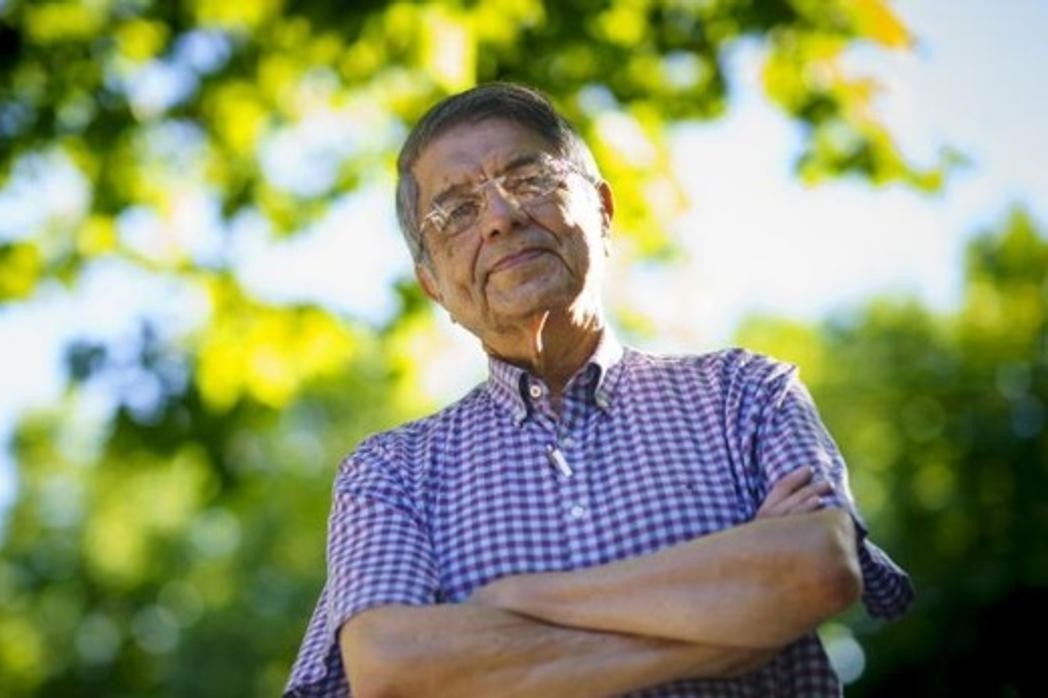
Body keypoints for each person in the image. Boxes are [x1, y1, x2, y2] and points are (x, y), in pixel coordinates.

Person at [284, 82, 913, 697]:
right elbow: (392, 670)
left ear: (604, 211)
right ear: (433, 286)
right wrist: (733, 623)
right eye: (457, 212)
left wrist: (518, 599)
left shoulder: (746, 394)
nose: (501, 218)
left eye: (529, 179)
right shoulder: (392, 472)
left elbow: (819, 571)